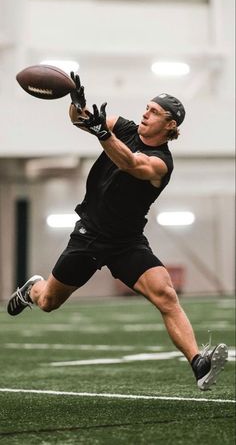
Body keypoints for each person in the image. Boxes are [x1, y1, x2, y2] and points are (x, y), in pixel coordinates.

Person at [7, 72, 228, 391]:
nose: (145, 113)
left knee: (165, 294)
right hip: (89, 235)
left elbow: (132, 164)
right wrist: (76, 103)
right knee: (49, 302)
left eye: (154, 111)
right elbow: (80, 121)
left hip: (126, 242)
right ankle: (32, 289)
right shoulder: (123, 126)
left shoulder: (161, 163)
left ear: (170, 125)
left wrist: (102, 135)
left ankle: (198, 363)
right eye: (147, 107)